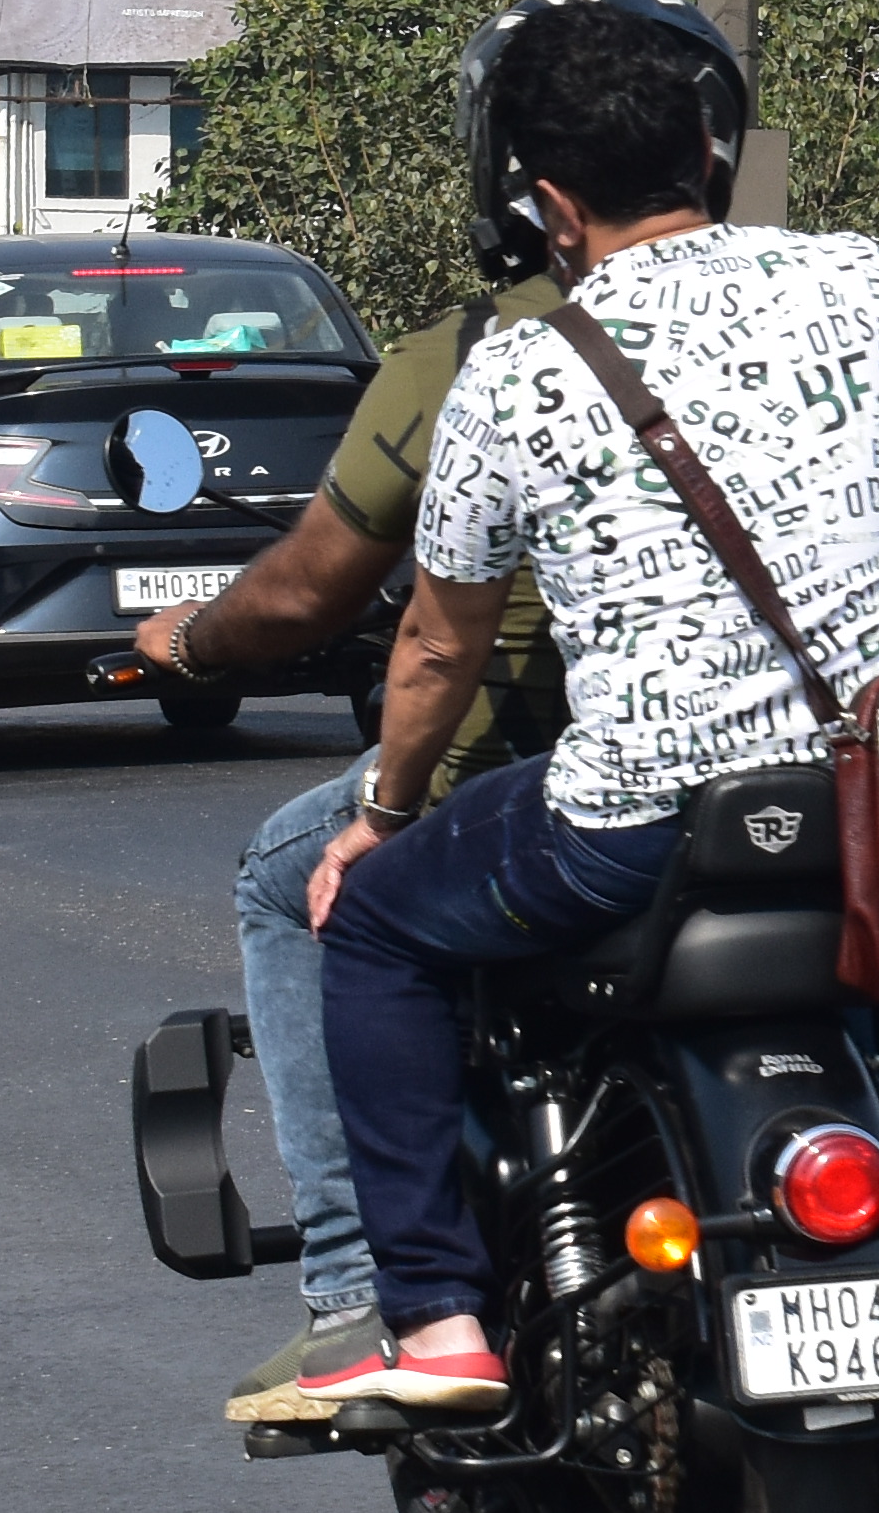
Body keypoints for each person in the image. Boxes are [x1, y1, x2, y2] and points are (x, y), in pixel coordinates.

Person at [285, 0, 879, 1416]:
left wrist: (377, 818)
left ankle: (433, 1319)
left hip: (636, 824)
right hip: (870, 785)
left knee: (371, 927)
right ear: (709, 146)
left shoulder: (516, 368)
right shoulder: (862, 281)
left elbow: (436, 648)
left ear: (544, 200)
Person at [136, 261, 571, 1424]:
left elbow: (382, 621)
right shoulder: (815, 313)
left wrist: (190, 647)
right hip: (788, 778)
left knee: (304, 886)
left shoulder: (483, 354)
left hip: (547, 787)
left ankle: (357, 1289)